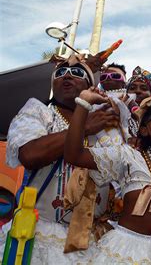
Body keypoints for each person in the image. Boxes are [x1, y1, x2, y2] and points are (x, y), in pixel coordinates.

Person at [2, 54, 117, 263]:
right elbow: (30, 154)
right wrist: (83, 127)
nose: (67, 76)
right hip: (41, 234)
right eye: (60, 73)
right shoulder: (39, 111)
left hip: (90, 242)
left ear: (90, 87)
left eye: (77, 73)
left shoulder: (105, 126)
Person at [64, 90, 151, 264]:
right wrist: (83, 103)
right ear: (144, 130)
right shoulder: (128, 156)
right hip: (124, 251)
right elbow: (73, 155)